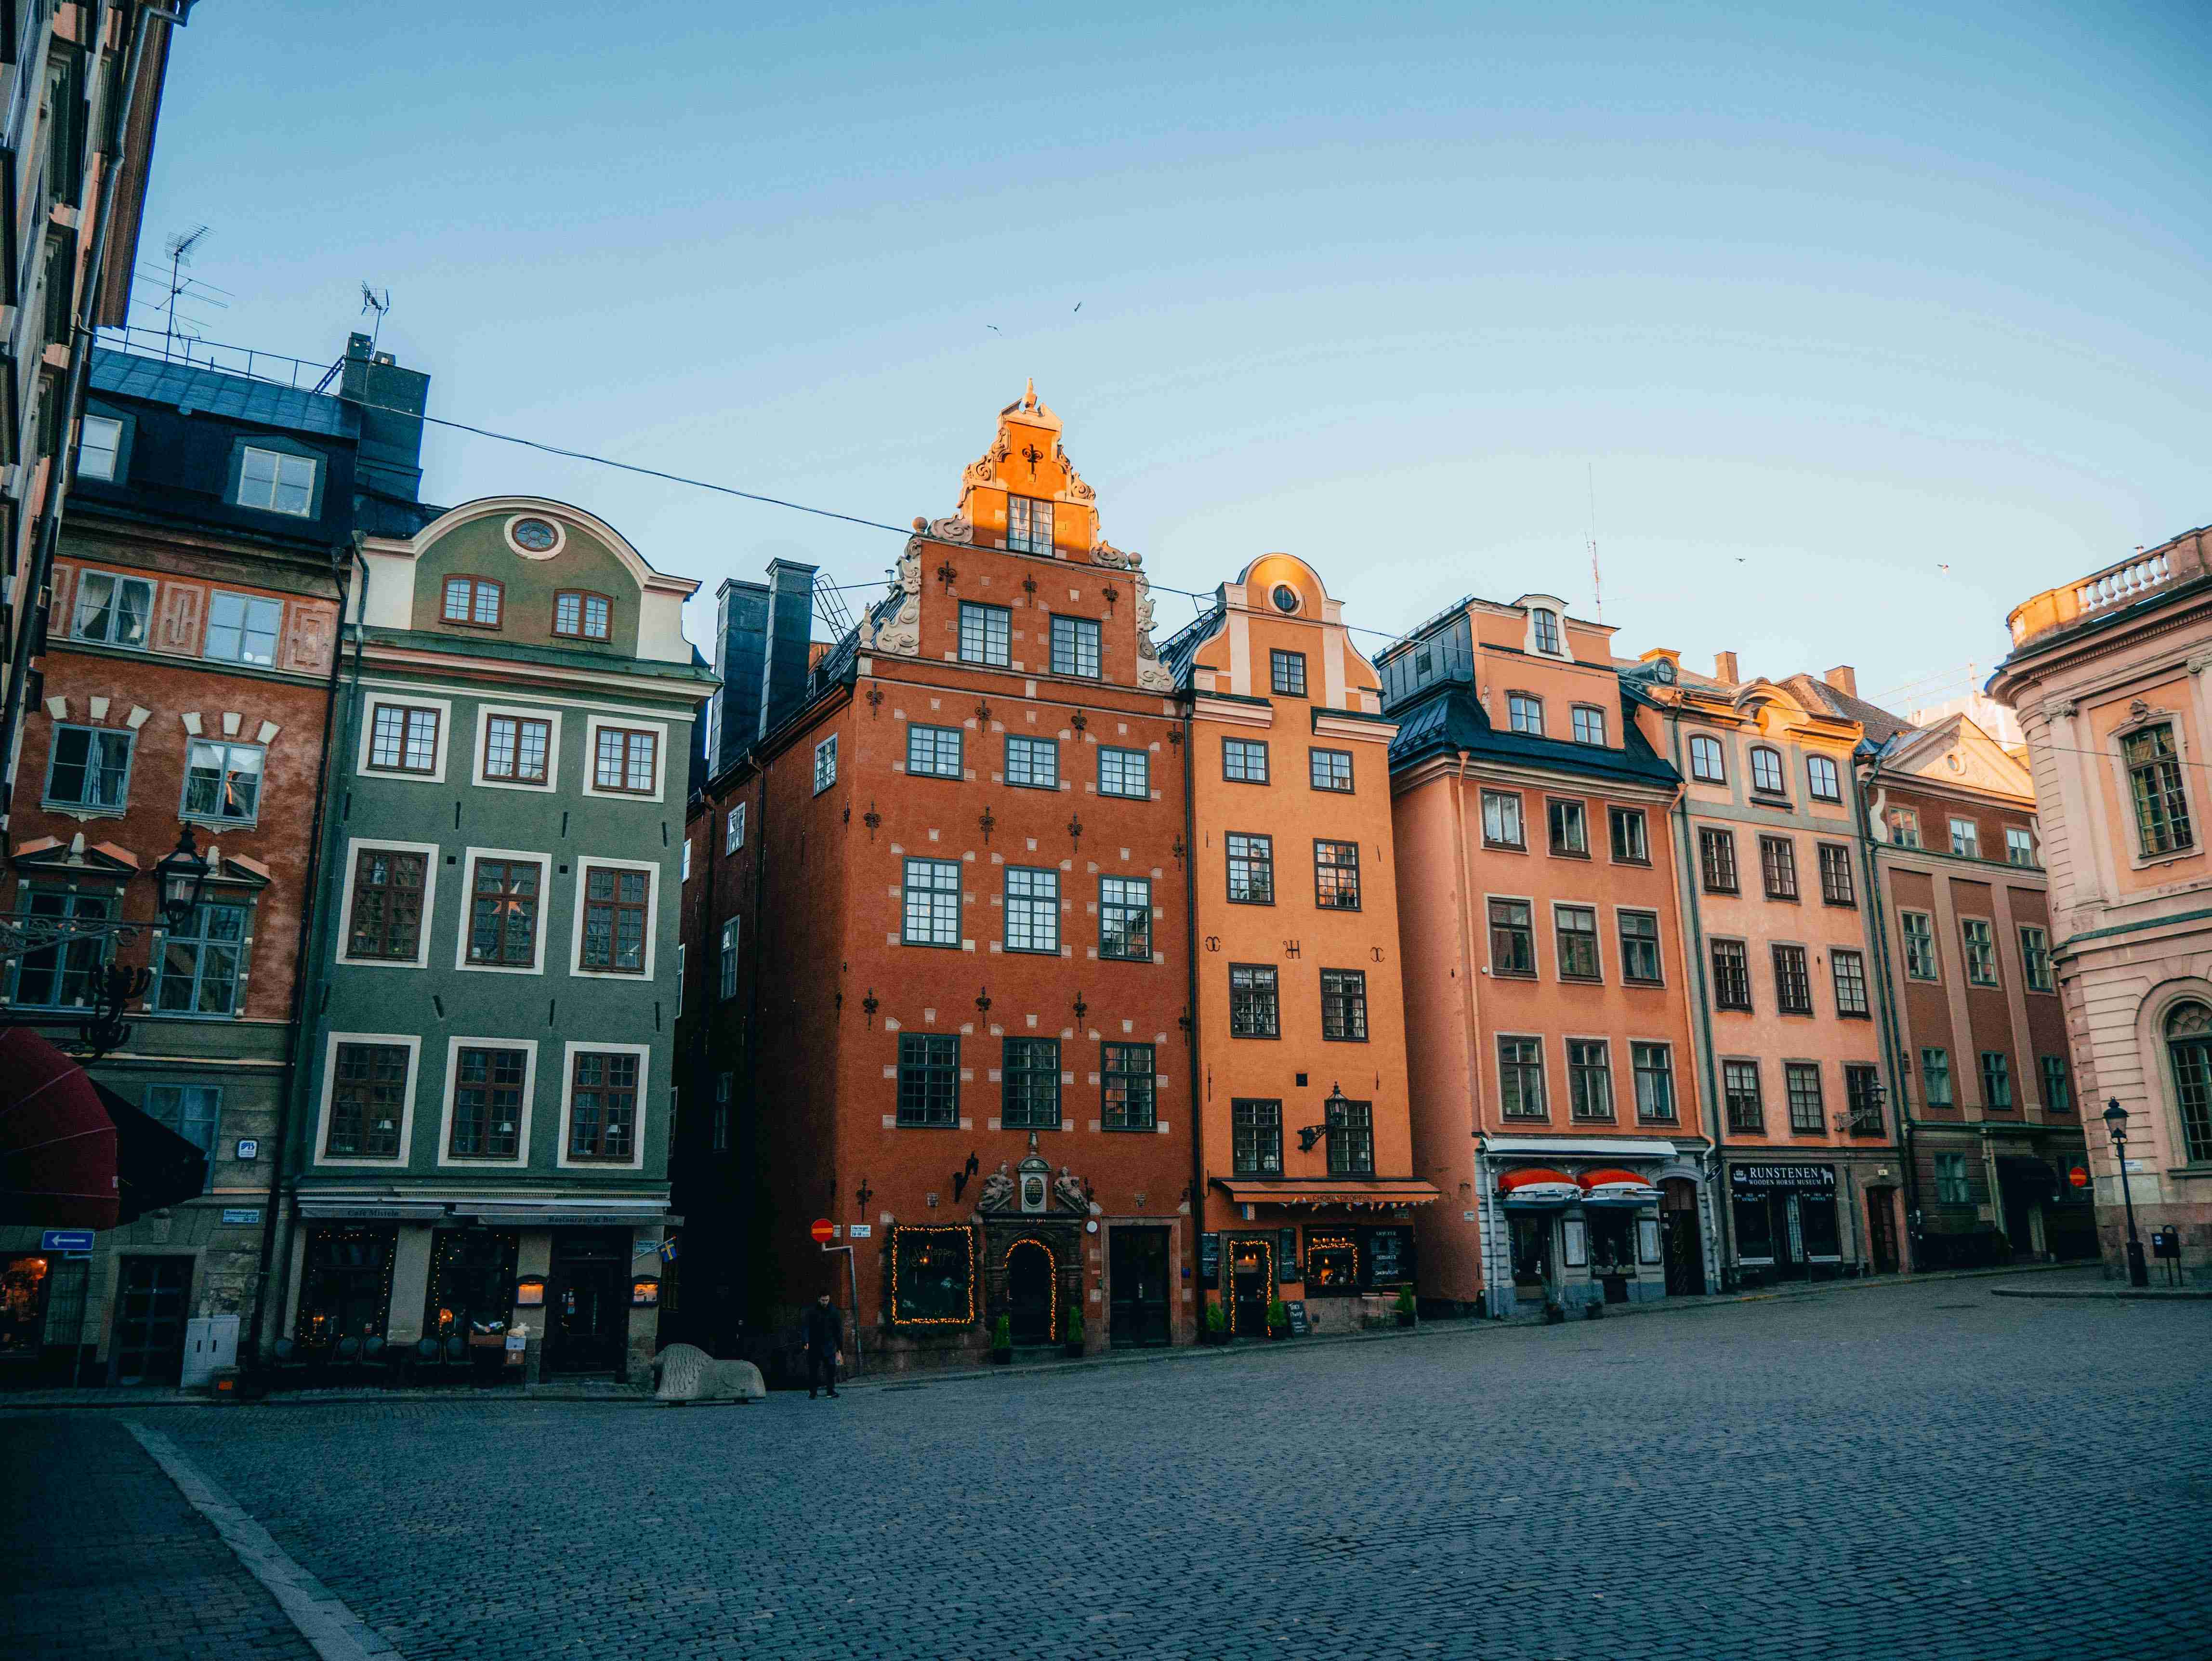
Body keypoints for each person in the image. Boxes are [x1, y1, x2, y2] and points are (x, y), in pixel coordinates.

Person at [802, 1292, 843, 1398]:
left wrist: (839, 1348)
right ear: (819, 1299)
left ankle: (830, 1391)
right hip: (815, 1344)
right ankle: (813, 1392)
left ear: (829, 1299)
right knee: (813, 1369)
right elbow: (806, 1326)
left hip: (829, 1344)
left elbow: (838, 1330)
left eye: (827, 1300)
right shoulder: (812, 1311)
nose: (825, 1302)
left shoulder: (834, 1311)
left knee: (830, 1369)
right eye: (823, 1300)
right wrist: (806, 1341)